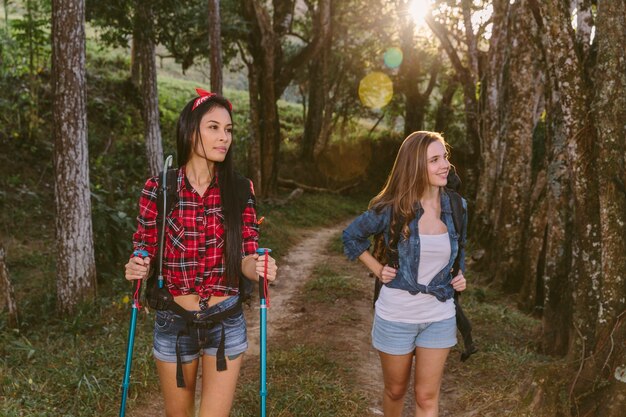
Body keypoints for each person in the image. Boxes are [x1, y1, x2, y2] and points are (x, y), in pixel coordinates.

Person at [125, 89, 277, 417]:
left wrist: (259, 266)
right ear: (189, 130)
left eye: (229, 130)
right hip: (174, 320)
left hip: (225, 321)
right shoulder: (159, 188)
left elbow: (246, 254)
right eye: (214, 127)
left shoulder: (240, 188)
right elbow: (145, 246)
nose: (224, 137)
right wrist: (139, 264)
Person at [343, 131, 467, 417]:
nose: (444, 164)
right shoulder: (393, 208)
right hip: (396, 315)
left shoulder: (457, 207)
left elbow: (461, 250)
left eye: (444, 157)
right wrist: (377, 268)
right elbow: (351, 236)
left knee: (426, 397)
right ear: (415, 167)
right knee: (395, 391)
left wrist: (460, 274)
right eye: (434, 160)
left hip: (439, 315)